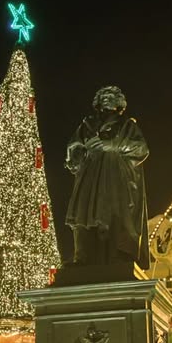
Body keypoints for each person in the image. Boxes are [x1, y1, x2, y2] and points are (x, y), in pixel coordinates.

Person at [64, 85, 150, 268]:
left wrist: (111, 145)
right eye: (103, 96)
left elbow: (141, 148)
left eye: (111, 96)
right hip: (90, 176)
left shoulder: (127, 125)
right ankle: (83, 256)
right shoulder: (87, 125)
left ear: (119, 102)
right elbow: (74, 147)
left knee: (116, 214)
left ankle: (119, 254)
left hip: (116, 177)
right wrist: (80, 153)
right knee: (84, 213)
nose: (106, 98)